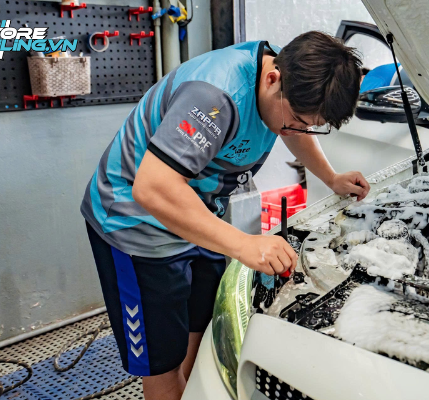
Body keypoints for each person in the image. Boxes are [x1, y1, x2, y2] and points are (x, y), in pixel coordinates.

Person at [80, 31, 370, 400]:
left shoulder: (289, 77)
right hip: (136, 225)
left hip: (198, 213)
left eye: (310, 124)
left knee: (198, 332)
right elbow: (152, 188)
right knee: (163, 364)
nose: (297, 129)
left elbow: (294, 127)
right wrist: (243, 244)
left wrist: (331, 177)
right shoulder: (213, 97)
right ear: (272, 79)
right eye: (297, 119)